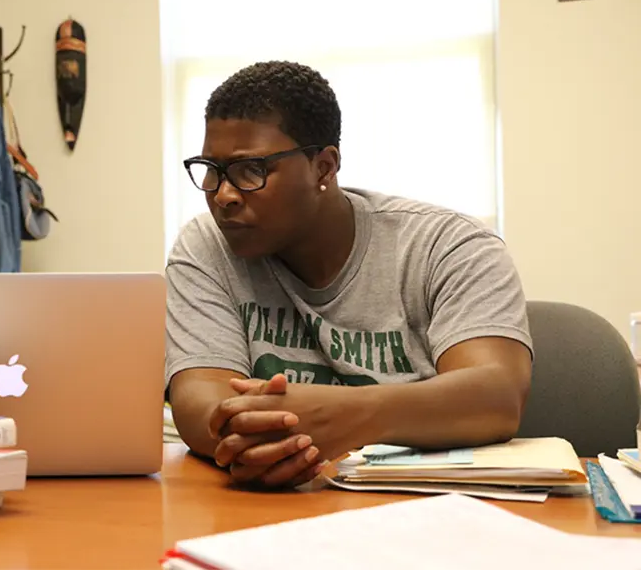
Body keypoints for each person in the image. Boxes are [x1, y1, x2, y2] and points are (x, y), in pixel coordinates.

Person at [164, 61, 533, 490]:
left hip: (428, 509)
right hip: (269, 513)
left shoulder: (448, 245)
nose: (223, 195)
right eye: (212, 169)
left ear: (324, 167)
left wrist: (346, 415)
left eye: (251, 171)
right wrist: (260, 440)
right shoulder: (207, 245)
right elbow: (197, 402)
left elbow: (496, 396)